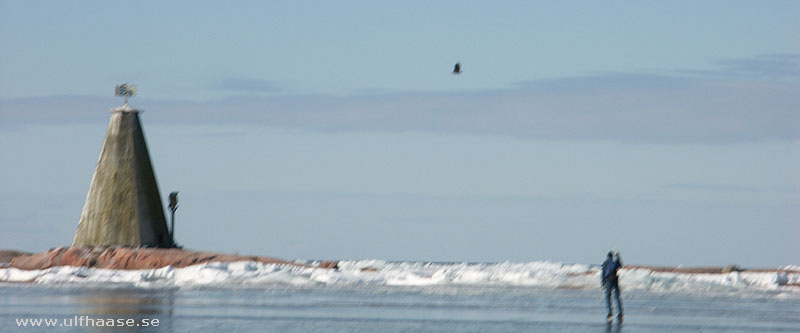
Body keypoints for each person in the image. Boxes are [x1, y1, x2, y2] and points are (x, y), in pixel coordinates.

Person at [601, 251, 623, 322]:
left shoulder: (605, 263)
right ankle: (620, 313)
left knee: (608, 297)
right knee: (617, 297)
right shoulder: (615, 262)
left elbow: (603, 273)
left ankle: (609, 313)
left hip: (608, 281)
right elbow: (620, 266)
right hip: (615, 280)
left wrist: (603, 282)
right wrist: (618, 257)